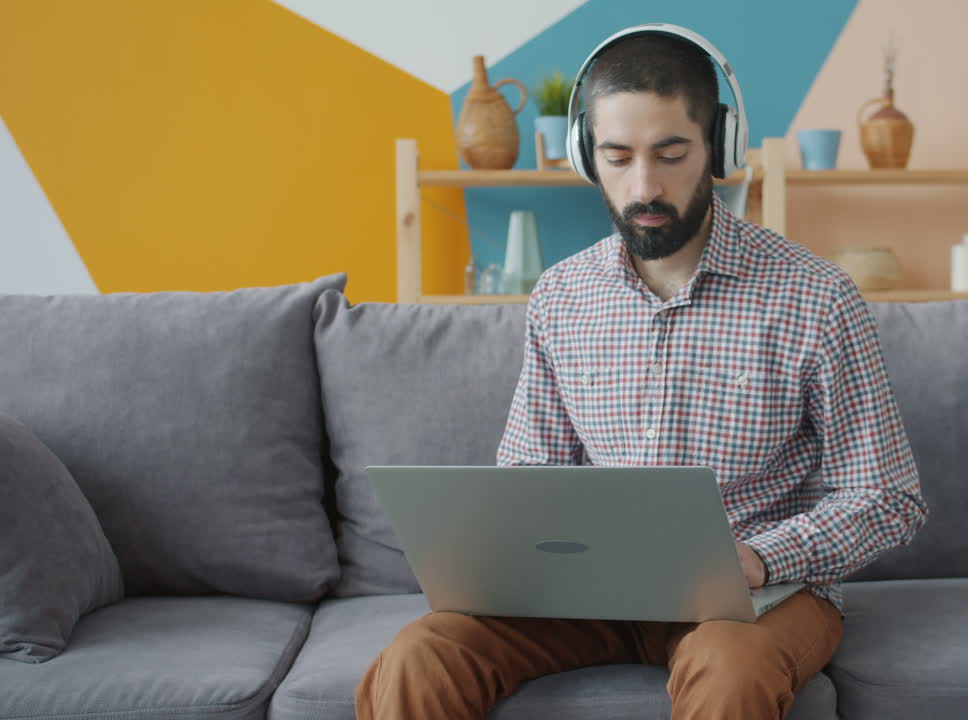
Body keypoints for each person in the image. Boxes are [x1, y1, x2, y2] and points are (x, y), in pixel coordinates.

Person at [355, 24, 928, 720]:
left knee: (731, 672)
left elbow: (887, 496)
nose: (644, 185)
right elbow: (532, 471)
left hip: (759, 597)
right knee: (421, 655)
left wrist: (759, 556)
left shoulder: (816, 298)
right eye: (618, 157)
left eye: (671, 153)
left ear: (718, 147)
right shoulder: (562, 297)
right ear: (585, 157)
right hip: (587, 595)